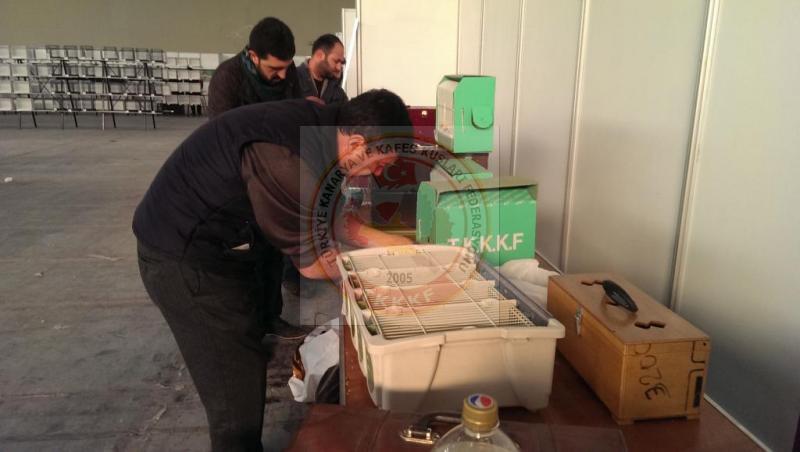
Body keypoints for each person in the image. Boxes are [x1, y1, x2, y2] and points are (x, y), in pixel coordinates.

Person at [133, 90, 413, 451]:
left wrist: (401, 248)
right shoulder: (288, 161)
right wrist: (380, 284)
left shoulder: (323, 129)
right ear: (357, 143)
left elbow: (339, 221)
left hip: (218, 244)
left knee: (245, 353)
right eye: (379, 165)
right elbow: (314, 265)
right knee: (233, 391)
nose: (378, 174)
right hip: (181, 256)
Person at [207, 17, 301, 118]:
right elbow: (222, 126)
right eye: (275, 69)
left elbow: (295, 114)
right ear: (254, 57)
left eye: (287, 66)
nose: (283, 75)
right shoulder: (226, 78)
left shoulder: (289, 69)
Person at [296, 33, 348, 105]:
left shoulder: (336, 88)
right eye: (336, 61)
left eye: (341, 62)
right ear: (319, 55)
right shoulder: (292, 80)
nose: (339, 68)